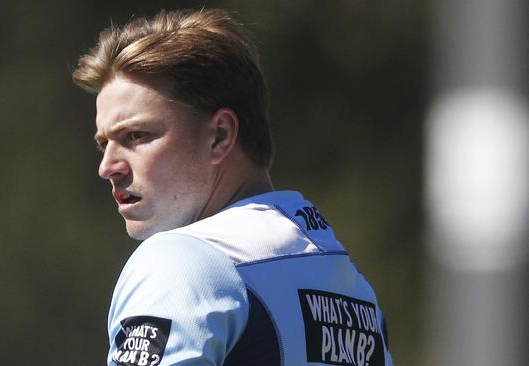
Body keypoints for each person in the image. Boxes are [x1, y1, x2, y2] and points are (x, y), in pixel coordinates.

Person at [73, 8, 394, 366]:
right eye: (105, 144)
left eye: (136, 136)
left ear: (220, 136)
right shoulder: (346, 282)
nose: (107, 167)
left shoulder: (179, 263)